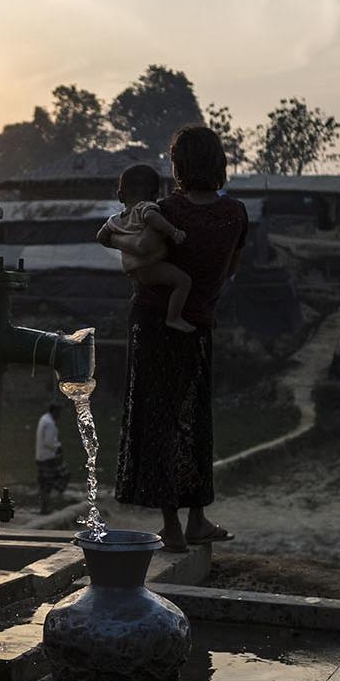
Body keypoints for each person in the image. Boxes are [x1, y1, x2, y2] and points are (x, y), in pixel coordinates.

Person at [115, 126, 249, 553]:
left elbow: (137, 258)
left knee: (157, 420)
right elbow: (229, 269)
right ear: (219, 164)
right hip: (199, 324)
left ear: (180, 166)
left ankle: (171, 527)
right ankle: (198, 519)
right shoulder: (236, 215)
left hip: (153, 323)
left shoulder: (165, 209)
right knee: (195, 419)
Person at [97, 163, 195, 333]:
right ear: (155, 196)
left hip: (133, 271)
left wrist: (117, 241)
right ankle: (174, 317)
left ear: (120, 196)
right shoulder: (144, 208)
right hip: (151, 265)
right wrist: (173, 232)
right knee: (183, 281)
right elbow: (151, 217)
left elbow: (101, 237)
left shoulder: (114, 220)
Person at [36, 399, 70, 514]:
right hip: (48, 458)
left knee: (44, 484)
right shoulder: (49, 423)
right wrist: (58, 446)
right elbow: (49, 442)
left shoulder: (44, 418)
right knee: (64, 476)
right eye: (59, 412)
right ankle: (50, 504)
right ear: (55, 411)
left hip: (40, 457)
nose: (60, 415)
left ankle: (44, 508)